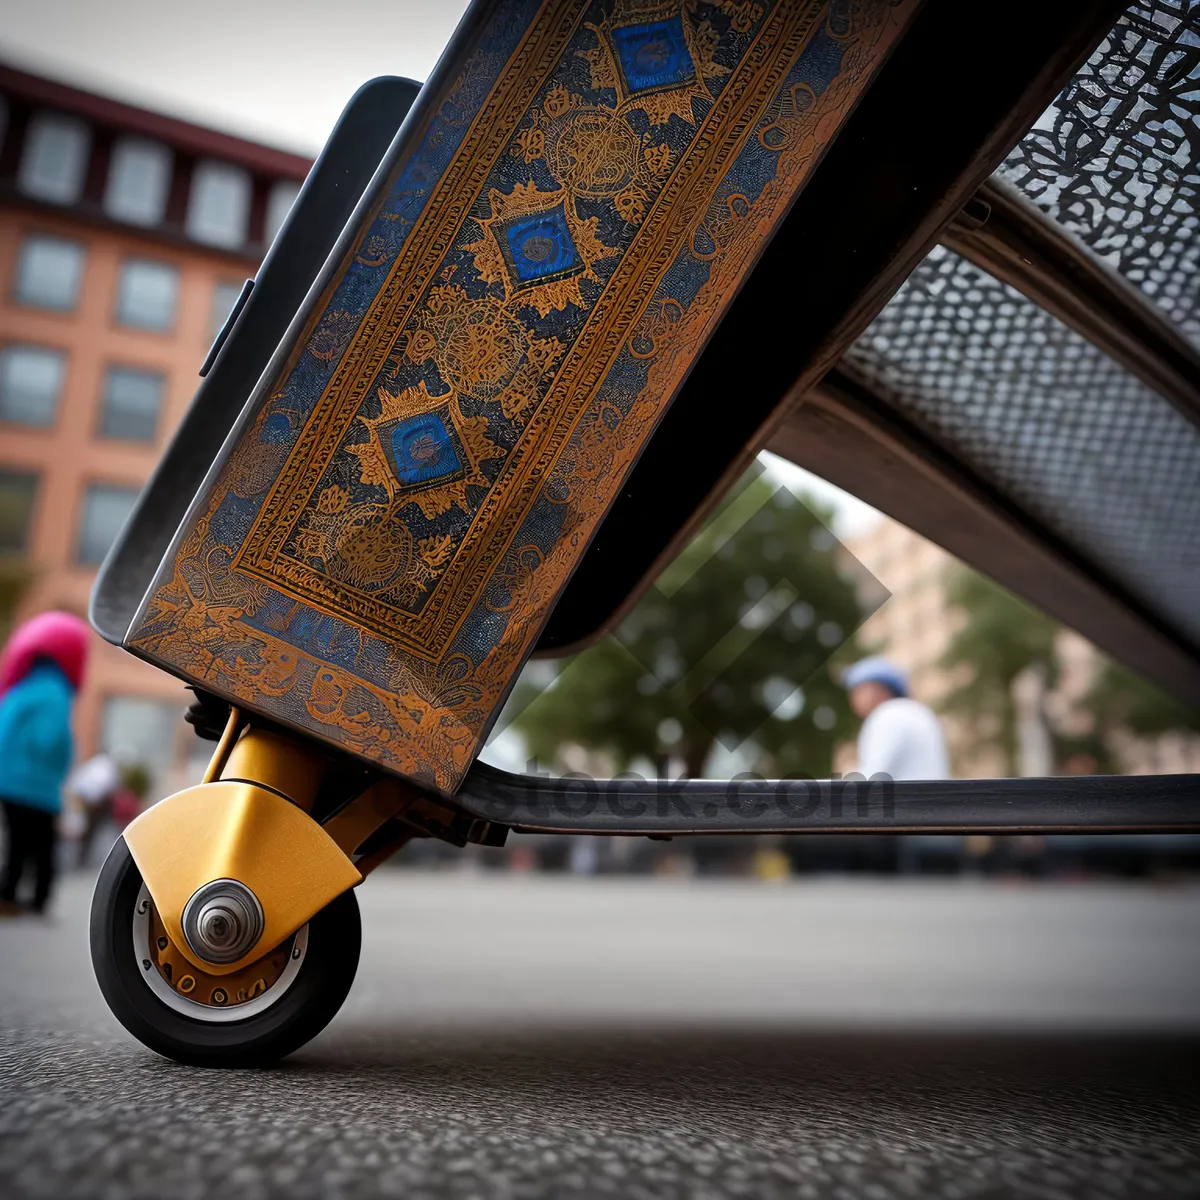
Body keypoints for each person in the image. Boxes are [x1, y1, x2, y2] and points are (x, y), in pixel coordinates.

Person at [0, 611, 90, 916]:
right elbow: (49, 739)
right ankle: (35, 900)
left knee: (16, 843)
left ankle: (9, 894)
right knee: (42, 847)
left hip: (8, 779)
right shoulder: (56, 690)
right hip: (37, 784)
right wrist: (67, 753)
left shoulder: (21, 686)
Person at [843, 657, 949, 781]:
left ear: (880, 690)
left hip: (908, 798)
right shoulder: (919, 711)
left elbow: (874, 775)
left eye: (859, 690)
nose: (853, 698)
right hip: (933, 796)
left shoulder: (886, 715)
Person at [69, 752, 121, 868]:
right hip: (95, 804)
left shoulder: (99, 765)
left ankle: (85, 859)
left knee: (92, 833)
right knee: (92, 833)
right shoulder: (98, 765)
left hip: (97, 805)